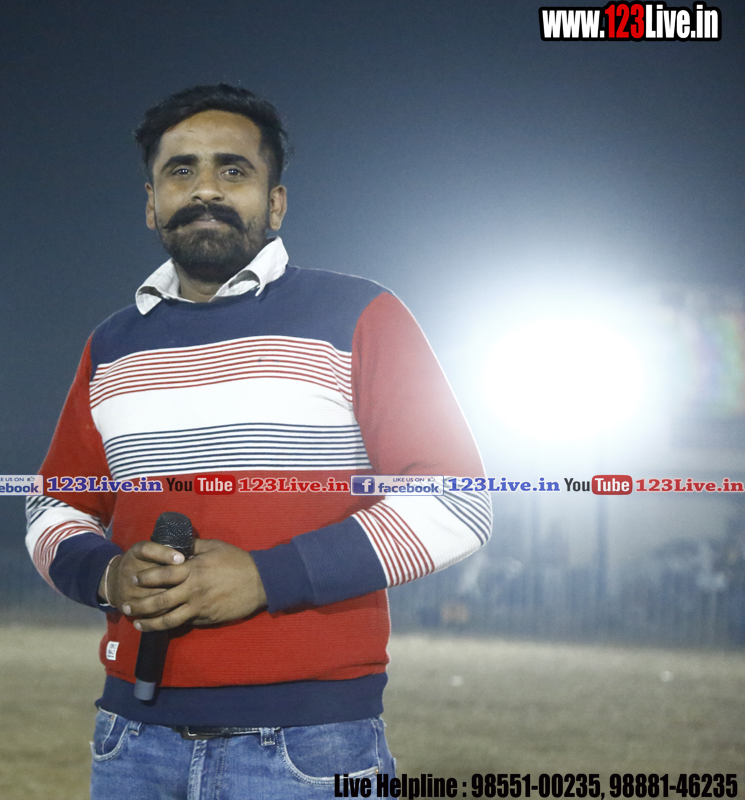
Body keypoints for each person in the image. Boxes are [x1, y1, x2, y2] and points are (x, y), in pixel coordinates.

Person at [26, 84, 492, 798]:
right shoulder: (111, 345)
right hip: (131, 741)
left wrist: (266, 577)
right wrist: (107, 575)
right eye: (181, 170)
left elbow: (456, 502)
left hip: (309, 746)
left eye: (233, 170)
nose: (205, 189)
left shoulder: (360, 313)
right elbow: (52, 505)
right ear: (151, 202)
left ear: (276, 202)